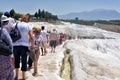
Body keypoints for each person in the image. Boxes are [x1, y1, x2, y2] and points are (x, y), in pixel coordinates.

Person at [13, 14, 34, 80]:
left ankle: (16, 76)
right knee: (24, 60)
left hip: (15, 45)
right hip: (24, 46)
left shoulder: (15, 25)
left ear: (21, 18)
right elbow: (31, 36)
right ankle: (24, 76)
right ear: (27, 19)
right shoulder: (28, 25)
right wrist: (32, 45)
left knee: (17, 60)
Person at [0, 15, 14, 80]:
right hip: (4, 56)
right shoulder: (4, 30)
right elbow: (10, 43)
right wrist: (11, 54)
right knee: (7, 75)